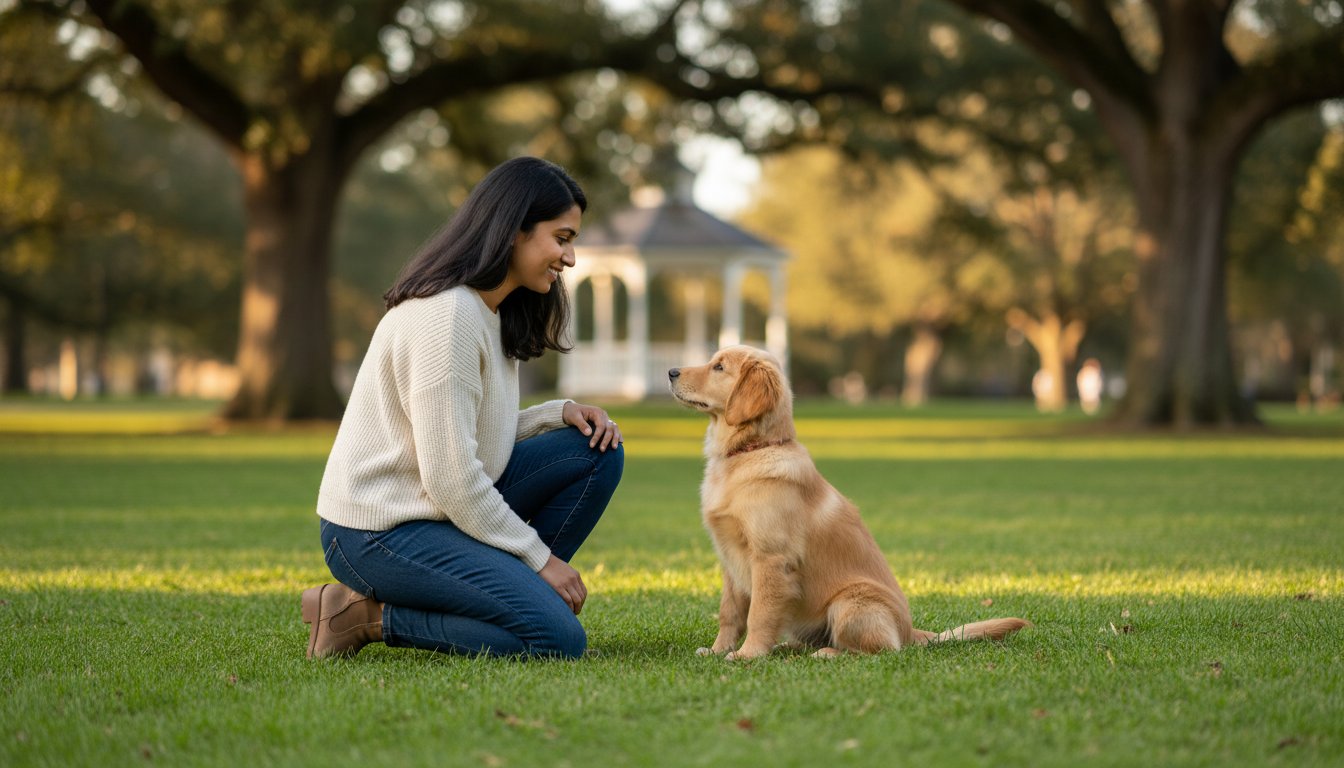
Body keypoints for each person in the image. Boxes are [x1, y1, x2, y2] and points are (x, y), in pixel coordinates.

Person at [301, 157, 624, 660]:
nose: (571, 258)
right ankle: (362, 616)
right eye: (562, 238)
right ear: (515, 230)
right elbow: (451, 476)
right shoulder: (447, 316)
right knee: (556, 640)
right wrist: (539, 559)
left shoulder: (488, 310)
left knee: (594, 451)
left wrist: (555, 415)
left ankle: (512, 597)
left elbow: (464, 435)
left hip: (434, 511)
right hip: (378, 532)